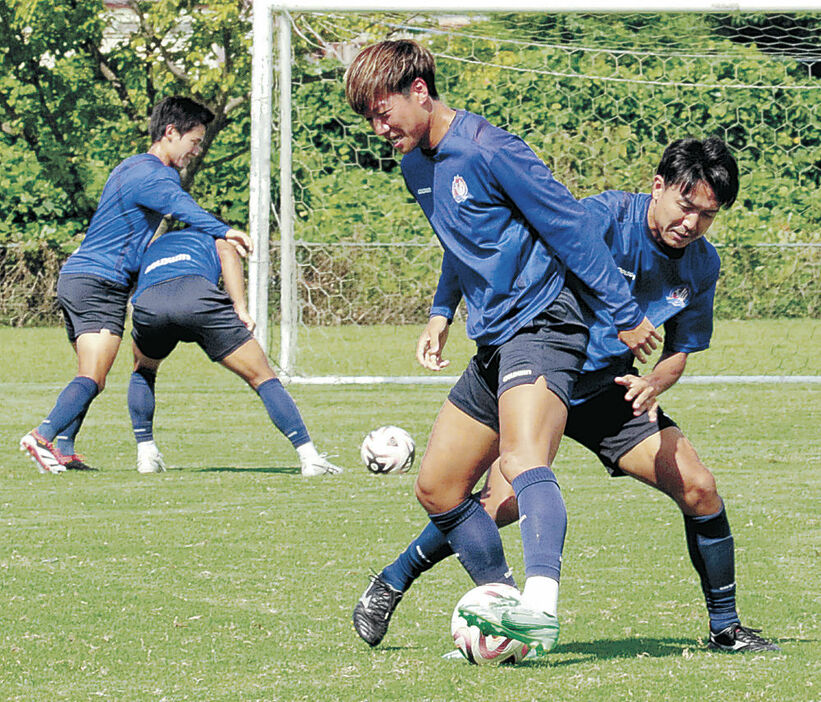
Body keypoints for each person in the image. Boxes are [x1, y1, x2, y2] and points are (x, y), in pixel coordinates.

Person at [352, 137, 779, 653]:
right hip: (540, 366)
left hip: (609, 390)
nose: (691, 223)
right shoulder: (600, 216)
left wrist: (654, 382)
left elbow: (680, 349)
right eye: (686, 206)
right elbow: (477, 250)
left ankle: (726, 628)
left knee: (699, 487)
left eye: (707, 216)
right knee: (498, 504)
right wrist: (443, 309)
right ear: (658, 186)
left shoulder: (701, 266)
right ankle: (394, 581)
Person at [345, 39, 659, 655]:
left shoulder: (492, 149)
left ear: (419, 90)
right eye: (369, 119)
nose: (379, 128)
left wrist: (622, 314)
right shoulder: (415, 164)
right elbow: (459, 243)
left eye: (383, 112)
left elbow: (568, 226)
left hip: (545, 324)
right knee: (437, 486)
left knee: (520, 461)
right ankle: (503, 603)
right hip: (493, 336)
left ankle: (539, 608)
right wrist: (441, 312)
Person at [19, 96, 252, 474]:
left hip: (79, 278)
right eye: (194, 142)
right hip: (100, 283)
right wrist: (224, 230)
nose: (196, 151)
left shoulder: (129, 167)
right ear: (170, 132)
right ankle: (41, 436)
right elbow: (181, 206)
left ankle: (64, 447)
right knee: (93, 377)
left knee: (91, 374)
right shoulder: (155, 175)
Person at [125, 226, 343, 477]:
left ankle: (146, 455)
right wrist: (240, 307)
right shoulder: (212, 237)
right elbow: (228, 253)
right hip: (195, 296)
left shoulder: (152, 244)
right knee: (263, 378)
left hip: (149, 303)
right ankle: (310, 458)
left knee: (143, 370)